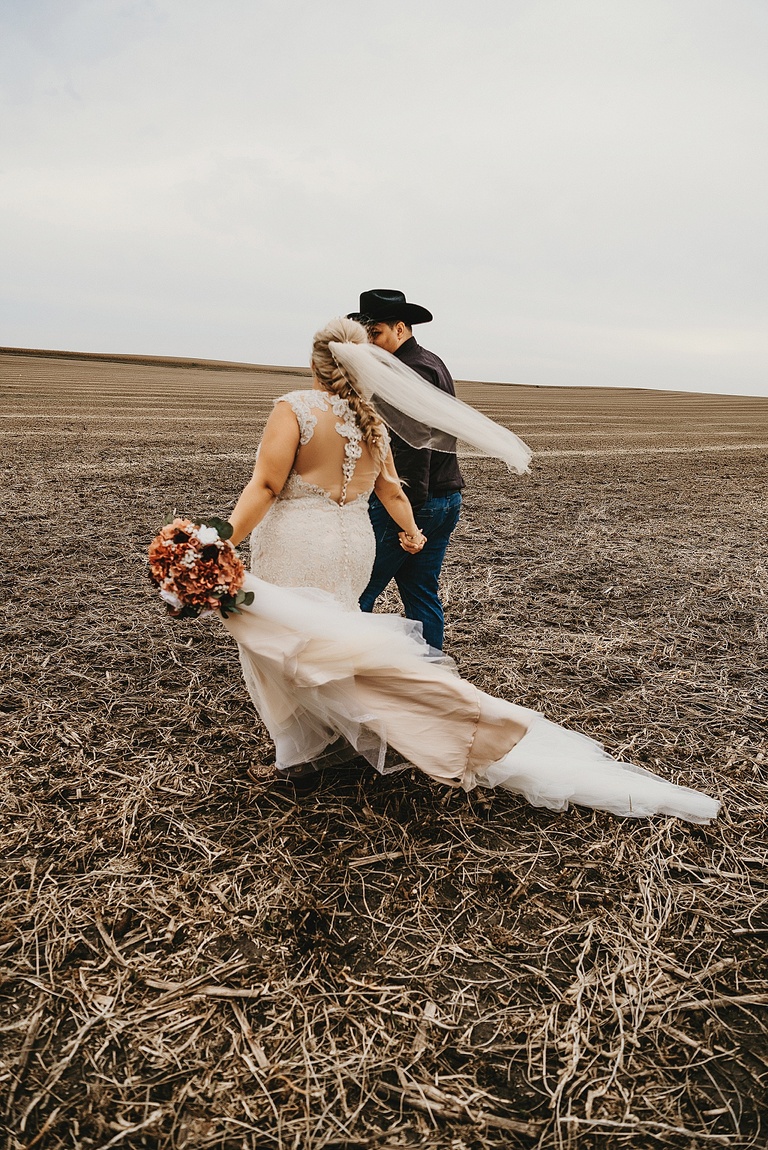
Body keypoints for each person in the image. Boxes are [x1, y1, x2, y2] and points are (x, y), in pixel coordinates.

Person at [217, 316, 719, 823]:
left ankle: (300, 752)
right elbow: (391, 490)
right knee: (330, 641)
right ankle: (334, 740)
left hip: (300, 541)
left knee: (284, 643)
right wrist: (412, 532)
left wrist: (219, 541)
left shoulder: (294, 408)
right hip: (351, 545)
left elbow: (266, 486)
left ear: (315, 362)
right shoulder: (369, 418)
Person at [348, 290, 463, 651]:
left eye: (376, 333)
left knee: (356, 592)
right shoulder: (431, 361)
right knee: (421, 591)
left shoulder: (407, 372)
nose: (370, 343)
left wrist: (406, 520)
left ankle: (347, 670)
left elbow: (414, 449)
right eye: (366, 335)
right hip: (446, 498)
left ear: (400, 328)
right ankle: (430, 672)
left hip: (414, 500)